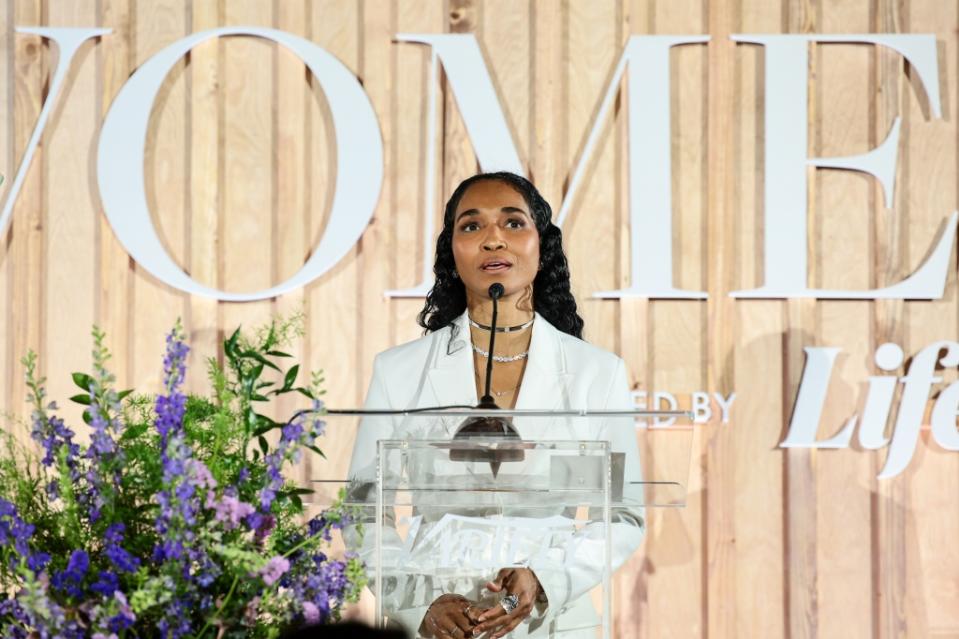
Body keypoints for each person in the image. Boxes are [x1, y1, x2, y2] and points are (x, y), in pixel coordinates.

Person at [346, 172, 645, 638]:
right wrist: (415, 602)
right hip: (438, 624)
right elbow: (364, 510)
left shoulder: (595, 373)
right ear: (452, 253)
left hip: (553, 624)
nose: (492, 240)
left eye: (512, 223)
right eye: (471, 227)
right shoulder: (400, 371)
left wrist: (544, 578)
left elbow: (623, 515)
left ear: (541, 246)